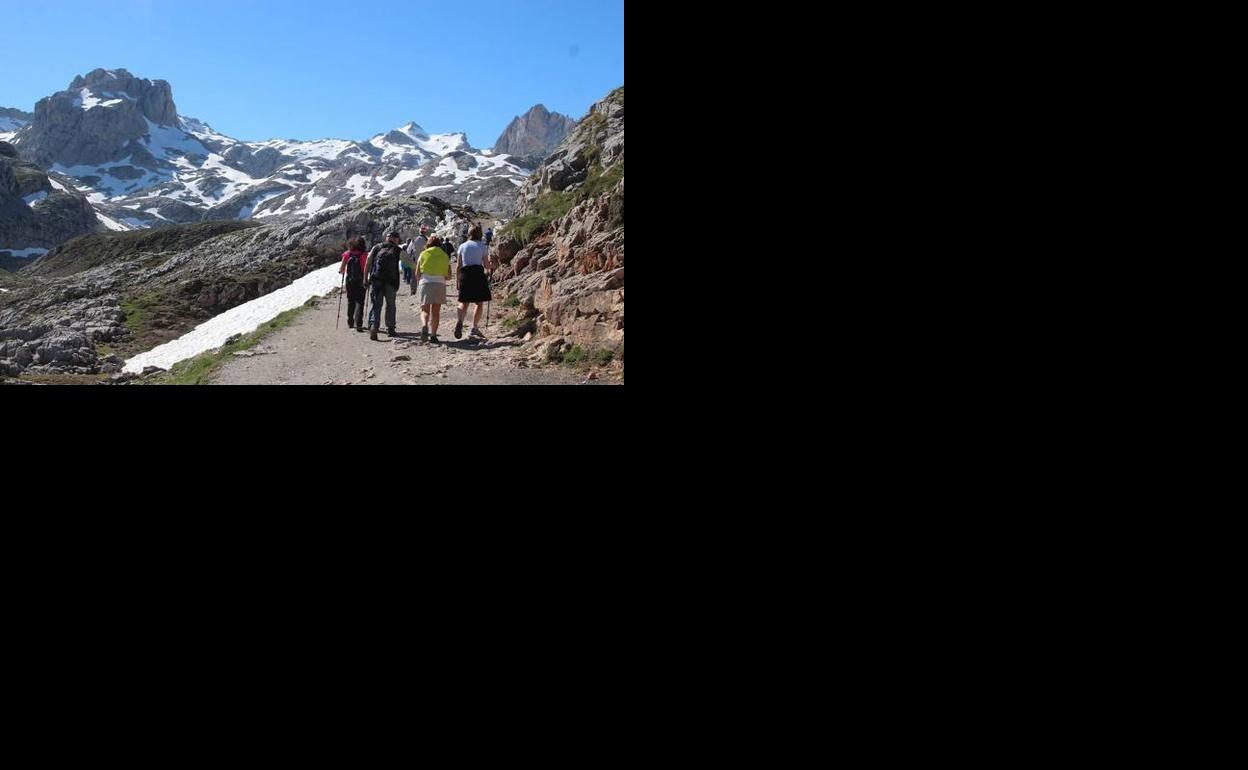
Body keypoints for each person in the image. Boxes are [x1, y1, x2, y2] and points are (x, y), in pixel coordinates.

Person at [366, 231, 417, 341]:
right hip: (391, 282)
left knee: (376, 304)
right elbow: (411, 264)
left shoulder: (377, 247)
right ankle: (391, 329)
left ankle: (374, 326)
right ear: (397, 240)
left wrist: (365, 278)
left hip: (376, 281)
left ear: (387, 237)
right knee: (391, 305)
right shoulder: (398, 250)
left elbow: (368, 262)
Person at [454, 224, 493, 340]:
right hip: (477, 274)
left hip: (465, 274)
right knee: (478, 302)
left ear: (469, 233)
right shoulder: (482, 246)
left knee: (463, 302)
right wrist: (492, 265)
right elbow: (486, 265)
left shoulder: (462, 246)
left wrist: (457, 280)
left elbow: (458, 266)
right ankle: (474, 327)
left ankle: (460, 321)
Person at [415, 235, 453, 343]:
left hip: (425, 282)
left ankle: (424, 326)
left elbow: (417, 273)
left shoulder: (423, 254)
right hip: (440, 283)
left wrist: (420, 279)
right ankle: (433, 335)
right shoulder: (444, 255)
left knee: (424, 309)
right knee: (436, 312)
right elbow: (449, 276)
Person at [339, 236, 369, 332]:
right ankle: (359, 323)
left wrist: (343, 271)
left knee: (350, 301)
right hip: (361, 281)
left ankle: (350, 322)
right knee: (360, 301)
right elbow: (366, 269)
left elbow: (342, 269)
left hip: (350, 281)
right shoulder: (364, 255)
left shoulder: (347, 254)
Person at [403, 226, 429, 296]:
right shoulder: (428, 240)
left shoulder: (414, 239)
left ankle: (413, 290)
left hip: (415, 261)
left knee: (414, 276)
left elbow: (408, 251)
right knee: (424, 276)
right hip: (425, 261)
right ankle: (423, 289)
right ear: (425, 232)